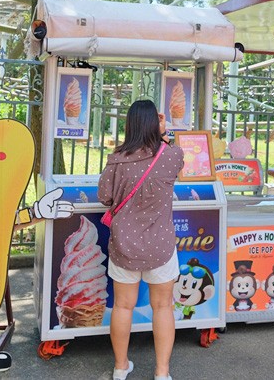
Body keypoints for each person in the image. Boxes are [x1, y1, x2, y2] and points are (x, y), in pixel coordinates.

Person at [98, 99, 185, 380]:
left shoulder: (117, 159)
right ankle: (162, 372)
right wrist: (164, 132)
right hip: (161, 245)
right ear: (155, 124)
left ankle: (121, 367)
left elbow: (104, 198)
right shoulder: (171, 155)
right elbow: (178, 165)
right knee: (163, 307)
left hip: (124, 243)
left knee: (123, 306)